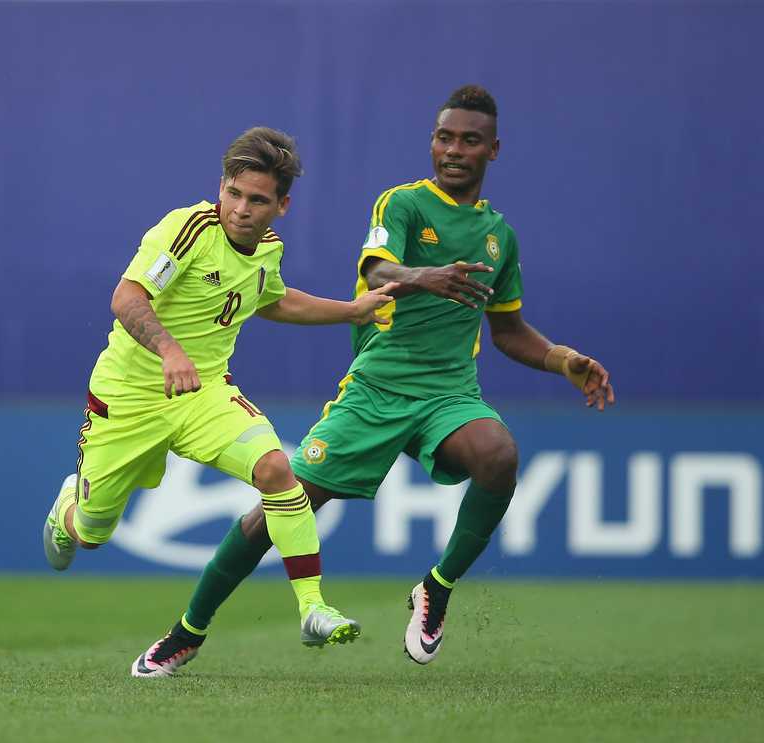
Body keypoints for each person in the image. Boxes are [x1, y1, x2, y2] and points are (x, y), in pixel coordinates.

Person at [133, 84, 616, 676]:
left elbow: (509, 332)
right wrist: (421, 275)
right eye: (444, 138)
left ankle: (435, 588)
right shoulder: (404, 205)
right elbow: (378, 268)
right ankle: (188, 631)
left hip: (449, 393)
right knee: (283, 504)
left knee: (498, 455)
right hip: (376, 387)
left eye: (469, 140)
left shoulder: (500, 237)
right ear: (432, 143)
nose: (454, 150)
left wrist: (562, 359)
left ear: (494, 149)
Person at [41, 126, 399, 677]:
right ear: (222, 187)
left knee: (278, 469)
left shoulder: (268, 250)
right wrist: (169, 350)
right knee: (91, 533)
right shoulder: (186, 229)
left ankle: (312, 607)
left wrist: (349, 310)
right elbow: (127, 296)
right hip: (131, 398)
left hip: (205, 393)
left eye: (258, 200)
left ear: (282, 205)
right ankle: (67, 513)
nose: (241, 209)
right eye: (234, 193)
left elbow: (273, 300)